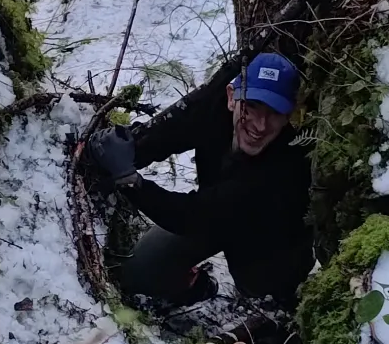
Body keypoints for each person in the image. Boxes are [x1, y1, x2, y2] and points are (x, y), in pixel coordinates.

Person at [82, 52, 314, 320]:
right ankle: (194, 287)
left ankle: (279, 305)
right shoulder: (213, 109)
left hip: (263, 240)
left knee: (263, 290)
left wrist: (130, 181)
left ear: (290, 116)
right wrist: (126, 145)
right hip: (213, 214)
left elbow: (193, 215)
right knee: (142, 268)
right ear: (231, 97)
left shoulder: (285, 164)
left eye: (274, 113)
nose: (260, 124)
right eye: (252, 106)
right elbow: (173, 132)